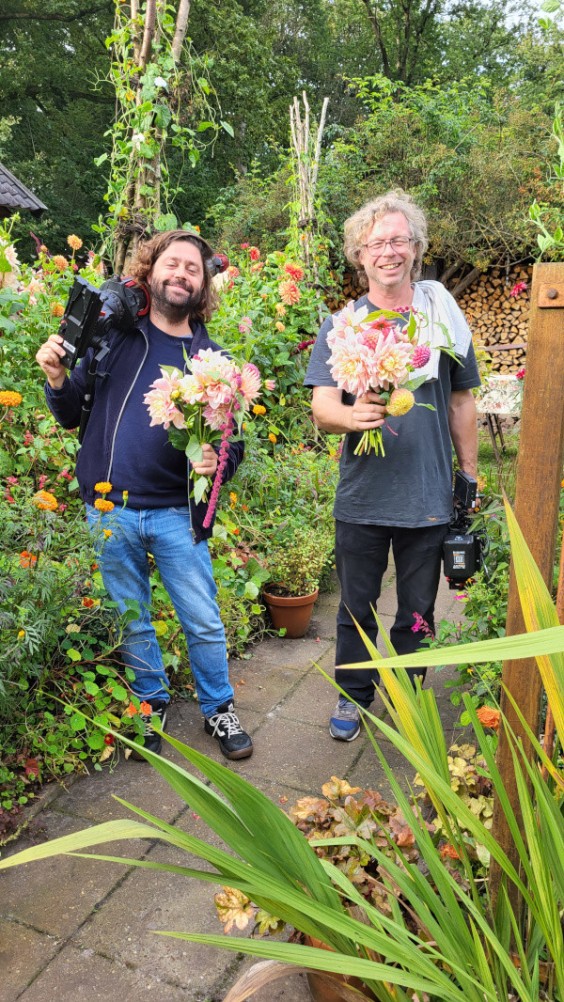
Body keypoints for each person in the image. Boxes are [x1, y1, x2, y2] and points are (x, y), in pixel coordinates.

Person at [36, 230, 253, 761]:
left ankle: (218, 708)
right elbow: (70, 416)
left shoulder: (212, 360)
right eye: (172, 264)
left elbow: (234, 445)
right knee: (129, 614)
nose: (181, 274)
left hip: (178, 513)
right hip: (110, 510)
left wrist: (216, 459)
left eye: (192, 269)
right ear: (151, 271)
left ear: (202, 286)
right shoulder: (113, 339)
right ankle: (149, 702)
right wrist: (57, 377)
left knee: (200, 616)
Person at [304, 190, 480, 741]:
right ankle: (352, 695)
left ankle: (407, 695)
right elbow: (322, 405)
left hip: (427, 493)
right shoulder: (343, 327)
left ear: (416, 248)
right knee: (355, 605)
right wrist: (350, 418)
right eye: (376, 241)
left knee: (419, 609)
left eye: (399, 240)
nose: (388, 250)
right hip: (363, 496)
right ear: (359, 254)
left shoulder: (442, 320)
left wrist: (468, 477)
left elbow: (461, 402)